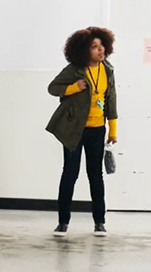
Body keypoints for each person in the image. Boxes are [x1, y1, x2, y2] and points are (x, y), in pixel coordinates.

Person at [46, 27, 118, 238]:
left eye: (101, 45)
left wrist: (112, 130)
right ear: (84, 50)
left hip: (97, 129)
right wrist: (73, 88)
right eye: (94, 47)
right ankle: (63, 222)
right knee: (70, 173)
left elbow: (111, 101)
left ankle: (99, 222)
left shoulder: (108, 70)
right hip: (74, 130)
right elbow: (53, 88)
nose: (100, 50)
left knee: (95, 175)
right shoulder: (75, 69)